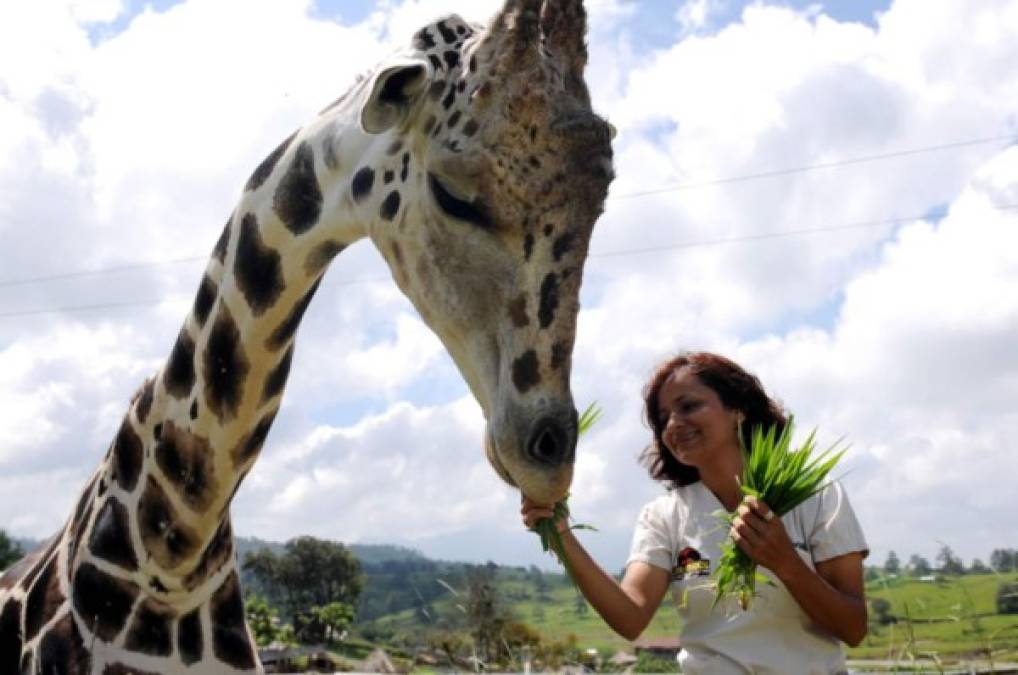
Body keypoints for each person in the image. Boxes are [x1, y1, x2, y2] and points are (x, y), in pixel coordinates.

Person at [522, 351, 869, 674]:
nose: (673, 424)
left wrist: (785, 562)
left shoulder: (816, 496)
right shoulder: (665, 515)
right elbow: (630, 617)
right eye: (662, 418)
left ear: (737, 410)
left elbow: (853, 628)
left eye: (688, 406)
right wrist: (561, 535)